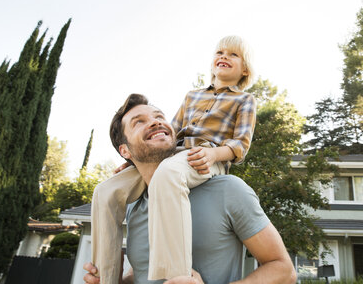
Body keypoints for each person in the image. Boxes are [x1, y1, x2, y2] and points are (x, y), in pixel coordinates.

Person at [91, 36, 257, 283]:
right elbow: (172, 131)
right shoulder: (192, 96)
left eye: (233, 54)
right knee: (105, 191)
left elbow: (240, 144)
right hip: (175, 156)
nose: (224, 57)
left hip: (208, 158)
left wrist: (213, 154)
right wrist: (134, 162)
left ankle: (177, 274)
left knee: (167, 174)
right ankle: (105, 277)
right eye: (219, 52)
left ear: (244, 69)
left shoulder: (244, 100)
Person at [85, 94, 296, 284]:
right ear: (125, 150)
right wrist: (120, 280)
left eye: (159, 116)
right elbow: (143, 273)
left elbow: (284, 271)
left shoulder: (228, 191)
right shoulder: (134, 207)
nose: (155, 121)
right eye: (139, 122)